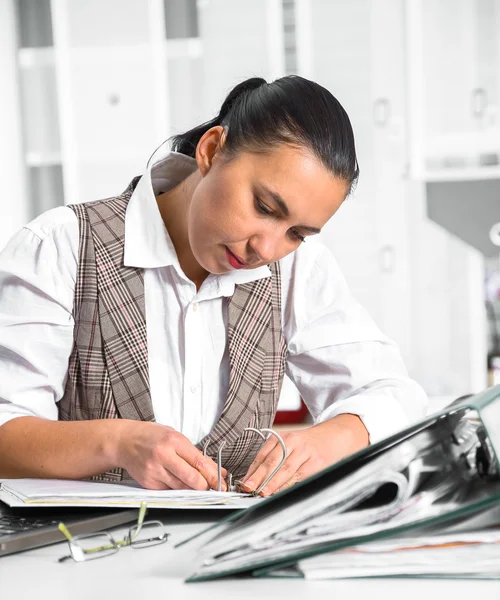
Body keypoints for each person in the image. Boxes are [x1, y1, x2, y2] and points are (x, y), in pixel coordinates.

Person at [0, 76, 427, 495]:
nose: (267, 247)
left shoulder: (298, 271)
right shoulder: (61, 245)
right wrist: (118, 442)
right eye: (263, 206)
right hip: (77, 555)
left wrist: (335, 437)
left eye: (297, 233)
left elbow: (395, 393)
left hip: (231, 556)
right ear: (211, 150)